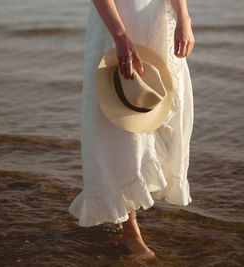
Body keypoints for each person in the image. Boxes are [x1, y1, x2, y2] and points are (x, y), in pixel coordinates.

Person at [69, 0, 195, 258]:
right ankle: (130, 230)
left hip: (158, 20)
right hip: (117, 23)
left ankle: (123, 207)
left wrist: (184, 17)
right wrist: (120, 35)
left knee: (159, 108)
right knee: (120, 122)